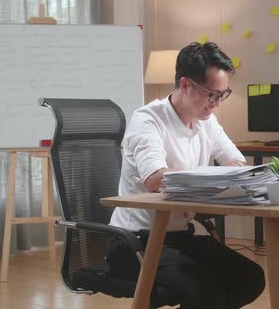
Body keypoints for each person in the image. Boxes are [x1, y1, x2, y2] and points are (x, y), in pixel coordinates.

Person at [106, 42, 265, 308]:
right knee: (205, 291)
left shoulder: (207, 121)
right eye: (211, 94)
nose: (215, 104)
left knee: (250, 278)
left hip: (179, 237)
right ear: (185, 84)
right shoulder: (148, 120)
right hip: (134, 244)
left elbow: (236, 163)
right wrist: (210, 177)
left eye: (222, 95)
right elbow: (156, 179)